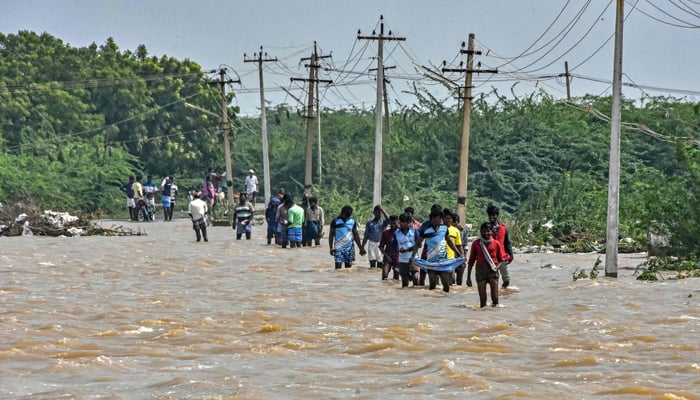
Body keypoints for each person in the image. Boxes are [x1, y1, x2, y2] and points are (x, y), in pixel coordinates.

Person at [410, 209, 464, 293]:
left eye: (441, 219)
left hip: (443, 261)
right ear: (432, 219)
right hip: (431, 262)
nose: (441, 220)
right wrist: (412, 256)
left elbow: (449, 242)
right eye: (439, 219)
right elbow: (417, 244)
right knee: (432, 285)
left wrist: (459, 254)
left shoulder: (444, 229)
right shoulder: (426, 230)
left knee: (446, 285)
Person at [467, 222, 508, 307]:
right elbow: (471, 261)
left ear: (491, 231)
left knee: (495, 299)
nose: (486, 233)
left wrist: (497, 268)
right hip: (480, 271)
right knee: (483, 301)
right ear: (480, 232)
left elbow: (501, 260)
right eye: (484, 231)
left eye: (488, 231)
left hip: (493, 271)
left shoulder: (496, 244)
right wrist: (468, 278)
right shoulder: (476, 244)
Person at [487, 204, 514, 289]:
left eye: (494, 215)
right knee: (493, 278)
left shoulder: (503, 228)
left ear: (497, 215)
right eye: (490, 215)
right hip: (490, 257)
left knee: (506, 280)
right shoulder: (486, 228)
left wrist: (511, 255)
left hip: (502, 257)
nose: (492, 217)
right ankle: (494, 294)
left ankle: (502, 291)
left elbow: (507, 242)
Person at [395, 213, 419, 287]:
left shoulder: (414, 232)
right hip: (402, 260)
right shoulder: (396, 234)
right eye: (400, 222)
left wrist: (407, 249)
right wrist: (398, 250)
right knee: (405, 283)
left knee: (415, 277)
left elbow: (419, 244)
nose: (400, 224)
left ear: (407, 223)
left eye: (402, 222)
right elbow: (393, 246)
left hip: (413, 258)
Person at [362, 205, 389, 269]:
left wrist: (382, 209)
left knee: (380, 263)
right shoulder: (369, 223)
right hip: (371, 243)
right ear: (373, 213)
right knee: (372, 264)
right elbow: (366, 236)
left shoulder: (383, 222)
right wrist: (362, 247)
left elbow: (389, 219)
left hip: (380, 244)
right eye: (376, 212)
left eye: (379, 213)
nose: (378, 214)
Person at [443, 209, 464, 285]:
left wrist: (462, 257)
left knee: (451, 280)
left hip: (451, 259)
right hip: (439, 259)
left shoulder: (456, 231)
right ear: (443, 219)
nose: (448, 220)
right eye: (446, 218)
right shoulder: (438, 229)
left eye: (450, 218)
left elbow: (459, 245)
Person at [379, 215, 400, 280]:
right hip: (387, 256)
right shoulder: (385, 233)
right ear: (389, 223)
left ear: (398, 222)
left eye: (394, 223)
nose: (393, 225)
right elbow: (381, 247)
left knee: (396, 277)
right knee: (384, 276)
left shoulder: (401, 233)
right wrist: (387, 256)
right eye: (391, 223)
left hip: (398, 257)